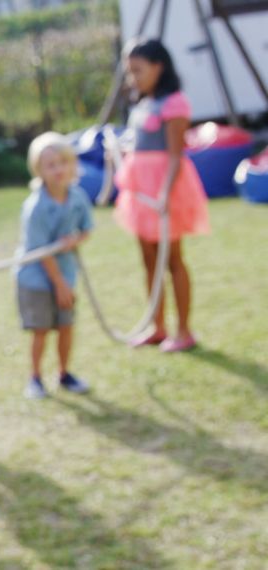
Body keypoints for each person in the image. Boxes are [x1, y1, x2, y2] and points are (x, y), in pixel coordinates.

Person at [116, 38, 210, 352]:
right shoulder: (143, 103)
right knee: (148, 259)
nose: (134, 78)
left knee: (172, 260)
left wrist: (165, 195)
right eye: (130, 72)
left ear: (159, 67)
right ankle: (157, 327)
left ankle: (183, 331)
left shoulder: (174, 103)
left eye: (138, 70)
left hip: (162, 191)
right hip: (139, 191)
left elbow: (174, 154)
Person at [17, 133, 94, 399]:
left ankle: (64, 373)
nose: (59, 169)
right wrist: (59, 284)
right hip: (37, 279)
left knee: (66, 325)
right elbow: (40, 251)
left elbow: (87, 229)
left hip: (66, 274)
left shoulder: (78, 197)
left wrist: (75, 240)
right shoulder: (35, 207)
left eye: (63, 162)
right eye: (51, 165)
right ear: (39, 170)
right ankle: (35, 378)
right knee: (41, 330)